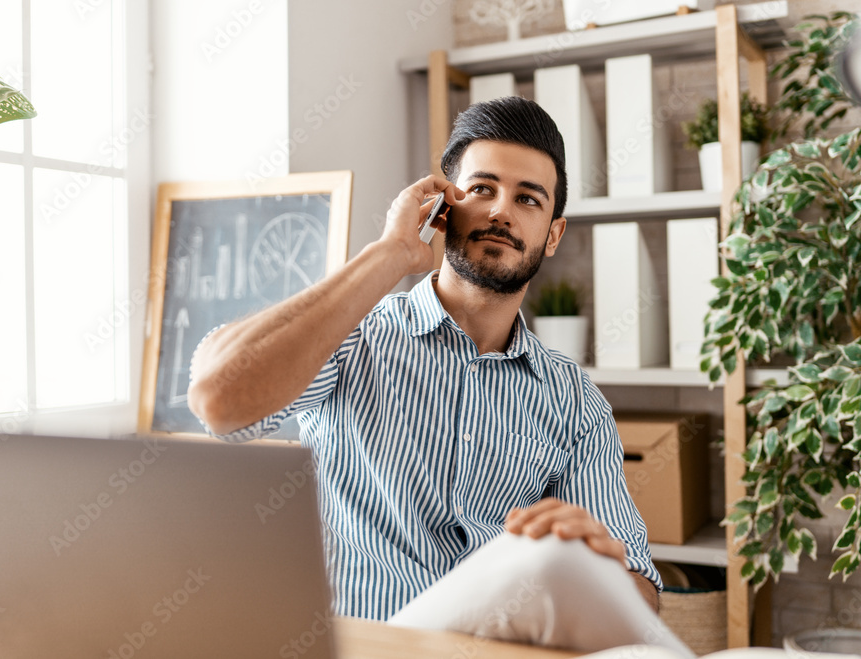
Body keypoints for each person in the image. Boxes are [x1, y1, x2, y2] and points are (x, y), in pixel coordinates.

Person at [188, 96, 662, 626]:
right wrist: (390, 254)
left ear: (552, 234)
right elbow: (218, 401)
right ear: (443, 208)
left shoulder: (574, 403)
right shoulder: (352, 336)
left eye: (528, 199)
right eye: (482, 189)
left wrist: (603, 566)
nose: (501, 210)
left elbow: (642, 600)